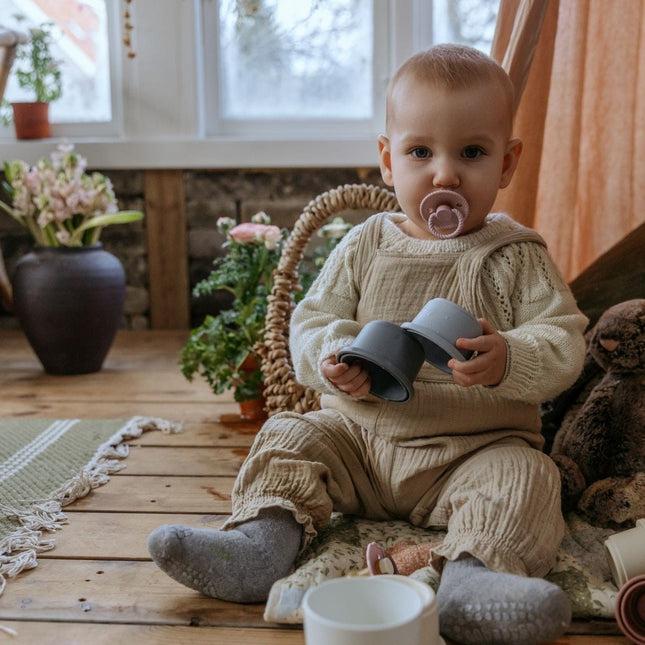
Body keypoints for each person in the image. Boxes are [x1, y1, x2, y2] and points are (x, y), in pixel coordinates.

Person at [148, 44, 588, 645]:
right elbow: (309, 320)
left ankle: (475, 579)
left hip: (472, 450)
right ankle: (260, 541)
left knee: (526, 476)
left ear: (507, 164)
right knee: (288, 434)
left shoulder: (516, 256)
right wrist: (333, 360)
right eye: (419, 152)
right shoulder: (363, 245)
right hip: (358, 443)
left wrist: (510, 355)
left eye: (472, 153)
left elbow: (564, 340)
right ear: (387, 160)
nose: (445, 174)